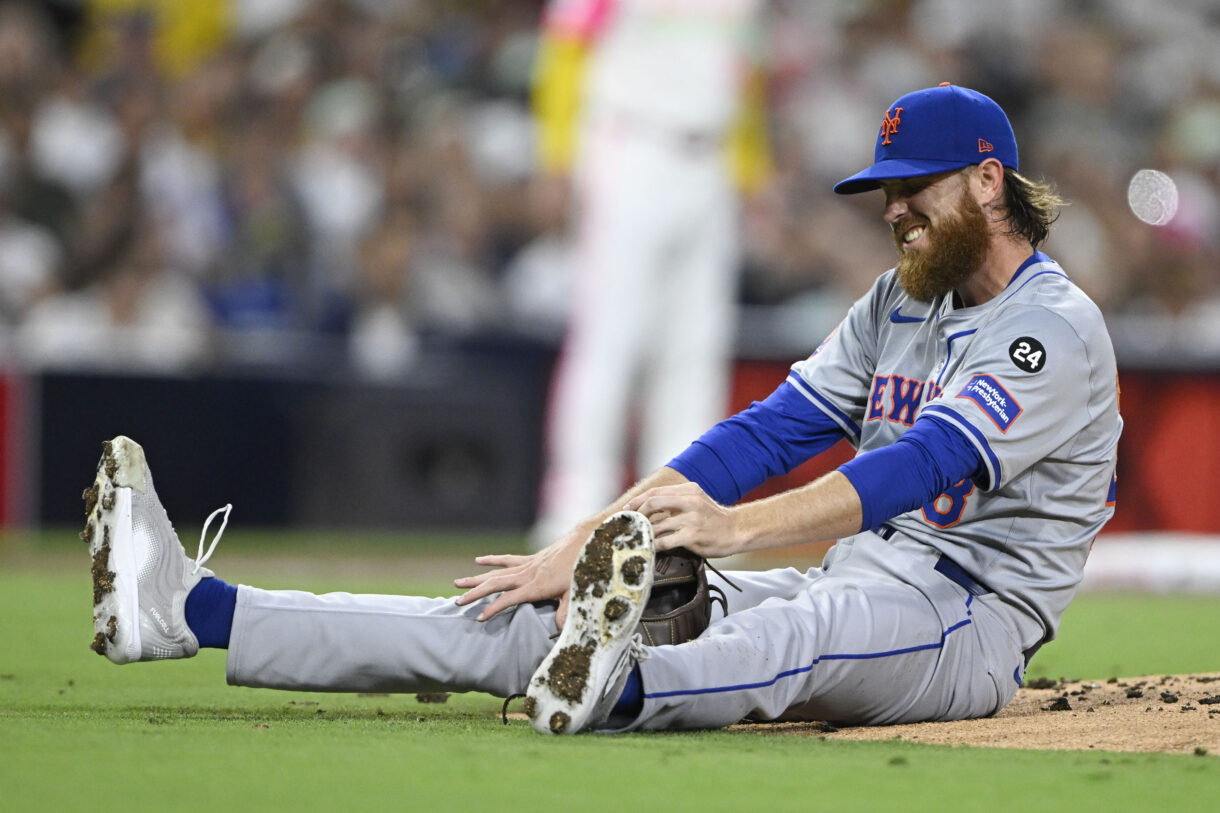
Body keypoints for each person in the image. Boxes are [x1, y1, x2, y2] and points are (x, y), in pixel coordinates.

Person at [85, 84, 1121, 736]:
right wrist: (585, 546)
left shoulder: (1050, 328)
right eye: (882, 189)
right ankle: (188, 610)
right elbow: (763, 434)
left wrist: (735, 531)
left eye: (915, 185)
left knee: (804, 630)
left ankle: (616, 695)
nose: (892, 208)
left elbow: (921, 466)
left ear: (988, 183)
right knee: (521, 616)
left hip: (964, 619)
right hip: (856, 573)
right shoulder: (900, 298)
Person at [527, 0, 773, 548]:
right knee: (610, 339)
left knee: (696, 349)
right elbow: (565, 51)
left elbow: (744, 71)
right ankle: (574, 509)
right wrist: (557, 155)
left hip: (710, 160)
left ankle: (677, 517)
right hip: (630, 146)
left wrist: (752, 169)